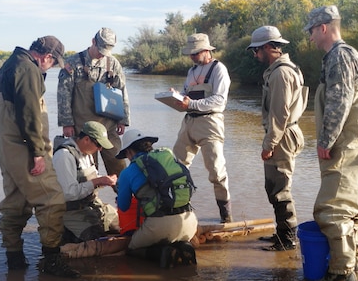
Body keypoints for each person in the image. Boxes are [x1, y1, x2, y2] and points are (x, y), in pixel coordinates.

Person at [0, 36, 80, 278]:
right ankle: (50, 262)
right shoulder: (28, 68)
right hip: (23, 146)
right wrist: (36, 152)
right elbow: (29, 115)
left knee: (16, 201)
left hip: (5, 143)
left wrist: (7, 124)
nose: (51, 66)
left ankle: (15, 260)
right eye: (53, 62)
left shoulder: (11, 63)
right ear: (46, 57)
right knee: (52, 199)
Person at [304, 5, 358, 281]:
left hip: (348, 144)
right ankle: (350, 268)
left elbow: (340, 101)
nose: (310, 38)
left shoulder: (339, 56)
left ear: (323, 27)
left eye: (311, 31)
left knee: (331, 208)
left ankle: (339, 273)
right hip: (357, 141)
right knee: (352, 209)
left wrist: (326, 141)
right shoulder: (345, 55)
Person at [246, 26, 309, 251]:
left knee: (280, 188)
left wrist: (269, 144)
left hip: (282, 135)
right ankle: (282, 233)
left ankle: (288, 238)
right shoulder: (281, 69)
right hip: (284, 133)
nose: (255, 55)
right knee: (274, 187)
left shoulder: (281, 73)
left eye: (256, 50)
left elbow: (279, 114)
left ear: (268, 47)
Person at [172, 33, 233, 223]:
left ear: (206, 50)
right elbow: (186, 93)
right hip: (189, 122)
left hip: (210, 123)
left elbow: (219, 100)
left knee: (216, 171)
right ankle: (178, 210)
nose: (191, 57)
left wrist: (191, 104)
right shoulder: (192, 71)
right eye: (190, 54)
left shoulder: (219, 70)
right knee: (176, 167)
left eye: (194, 53)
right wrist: (176, 96)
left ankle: (226, 216)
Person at [116, 129, 198, 268]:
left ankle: (162, 253)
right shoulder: (170, 160)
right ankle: (184, 246)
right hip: (189, 222)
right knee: (173, 237)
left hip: (159, 225)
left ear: (129, 152)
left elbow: (123, 206)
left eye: (126, 155)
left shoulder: (128, 172)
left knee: (131, 250)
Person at [57, 27, 130, 179]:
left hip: (108, 128)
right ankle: (90, 201)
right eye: (100, 50)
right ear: (93, 42)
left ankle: (127, 200)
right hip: (83, 131)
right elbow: (64, 95)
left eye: (106, 52)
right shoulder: (73, 63)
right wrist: (67, 123)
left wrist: (123, 120)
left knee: (119, 168)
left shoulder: (113, 63)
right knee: (87, 173)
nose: (102, 55)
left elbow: (122, 92)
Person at [52, 121, 120, 243]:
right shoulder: (64, 156)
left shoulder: (87, 153)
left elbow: (91, 177)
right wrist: (96, 181)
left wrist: (105, 180)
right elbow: (69, 193)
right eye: (98, 145)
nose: (100, 149)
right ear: (86, 139)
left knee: (123, 226)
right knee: (96, 238)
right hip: (71, 211)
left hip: (92, 205)